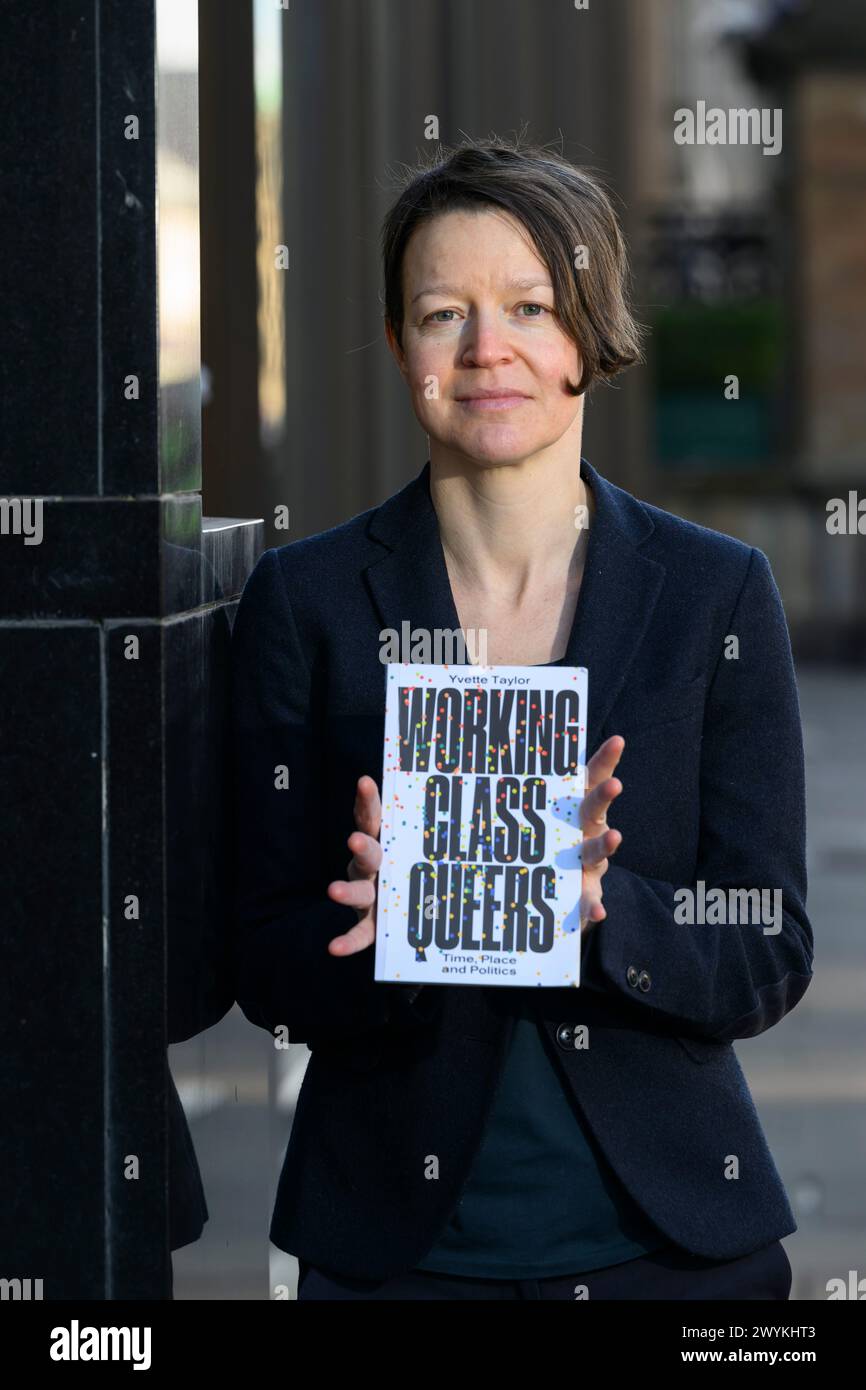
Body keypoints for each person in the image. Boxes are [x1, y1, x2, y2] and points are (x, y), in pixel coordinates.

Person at [230, 138, 812, 1300]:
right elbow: (260, 953)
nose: (485, 348)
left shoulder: (716, 594)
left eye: (528, 306)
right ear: (400, 346)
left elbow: (768, 945)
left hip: (672, 1251)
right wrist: (383, 927)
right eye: (442, 312)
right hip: (394, 1255)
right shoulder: (305, 601)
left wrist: (603, 910)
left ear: (588, 336)